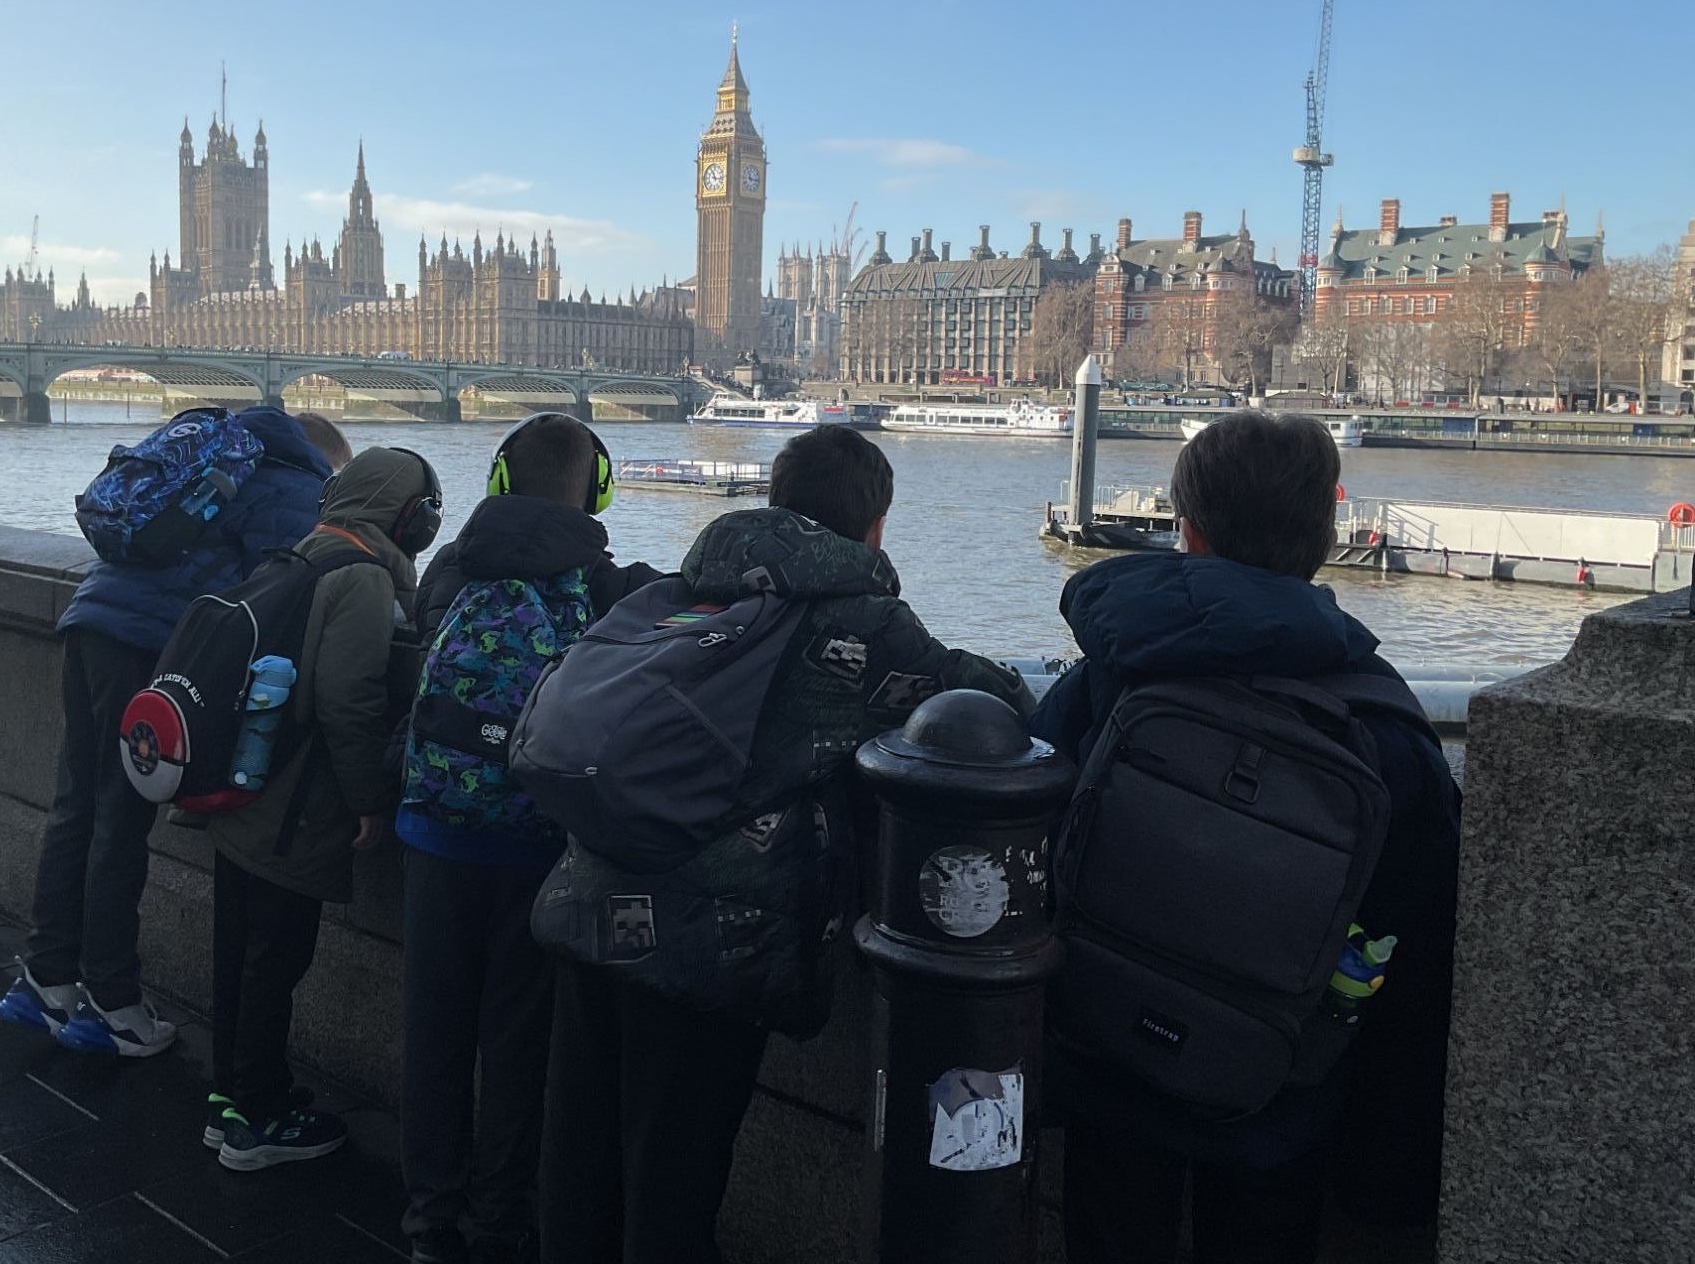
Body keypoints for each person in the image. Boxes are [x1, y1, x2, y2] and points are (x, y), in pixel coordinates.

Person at [538, 424, 1032, 1264]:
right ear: (873, 524)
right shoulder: (860, 618)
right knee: (673, 1176)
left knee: (579, 1157)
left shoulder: (683, 584)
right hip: (708, 945)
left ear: (776, 500)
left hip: (592, 895)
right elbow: (990, 704)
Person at [1028, 412, 1462, 1264]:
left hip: (1112, 1060)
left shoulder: (1114, 674)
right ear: (1325, 537)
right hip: (1282, 1092)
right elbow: (1411, 955)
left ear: (1186, 530)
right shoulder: (1387, 728)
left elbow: (1028, 826)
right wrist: (1388, 1178)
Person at [0, 406, 345, 1056]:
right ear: (326, 461)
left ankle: (45, 982)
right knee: (119, 823)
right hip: (146, 648)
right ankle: (111, 1004)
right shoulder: (296, 482)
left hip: (91, 625)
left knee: (77, 807)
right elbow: (287, 588)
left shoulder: (221, 458)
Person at [398, 414, 664, 1264]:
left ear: (501, 483)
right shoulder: (606, 585)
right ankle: (499, 1220)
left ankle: (428, 1218)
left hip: (432, 832)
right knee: (515, 1046)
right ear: (599, 490)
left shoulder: (451, 568)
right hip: (532, 847)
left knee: (434, 1032)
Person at [207, 446, 441, 1169]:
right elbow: (349, 702)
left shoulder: (304, 551)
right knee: (278, 960)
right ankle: (260, 1125)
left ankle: (233, 1100)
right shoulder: (363, 578)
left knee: (238, 956)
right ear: (406, 517)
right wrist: (369, 799)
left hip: (244, 796)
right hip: (296, 810)